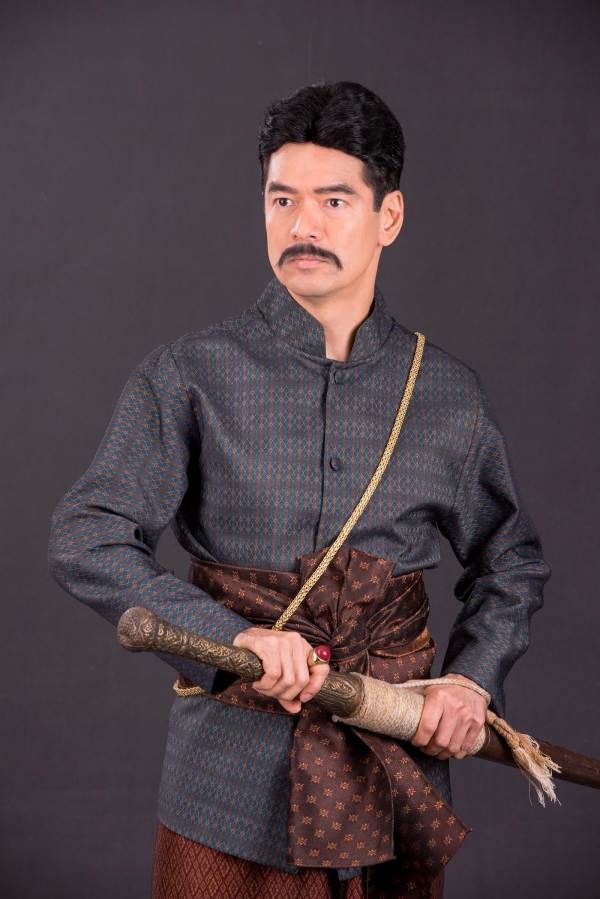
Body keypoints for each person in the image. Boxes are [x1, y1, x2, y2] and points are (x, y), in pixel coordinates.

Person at [48, 81, 551, 898]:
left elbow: (512, 562)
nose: (302, 225)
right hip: (227, 791)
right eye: (282, 199)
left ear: (389, 216)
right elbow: (85, 533)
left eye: (333, 200)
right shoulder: (188, 374)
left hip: (391, 777)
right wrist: (230, 635)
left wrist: (471, 679)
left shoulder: (447, 394)